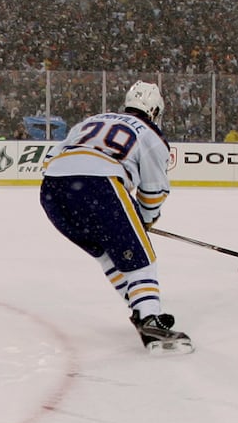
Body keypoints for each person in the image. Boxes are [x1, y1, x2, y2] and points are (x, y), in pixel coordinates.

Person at [39, 81, 190, 353]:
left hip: (53, 191)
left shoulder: (92, 121)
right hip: (98, 184)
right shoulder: (152, 135)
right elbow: (154, 191)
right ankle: (150, 320)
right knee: (141, 257)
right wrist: (143, 221)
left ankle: (140, 307)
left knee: (108, 254)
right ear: (155, 110)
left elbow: (50, 158)